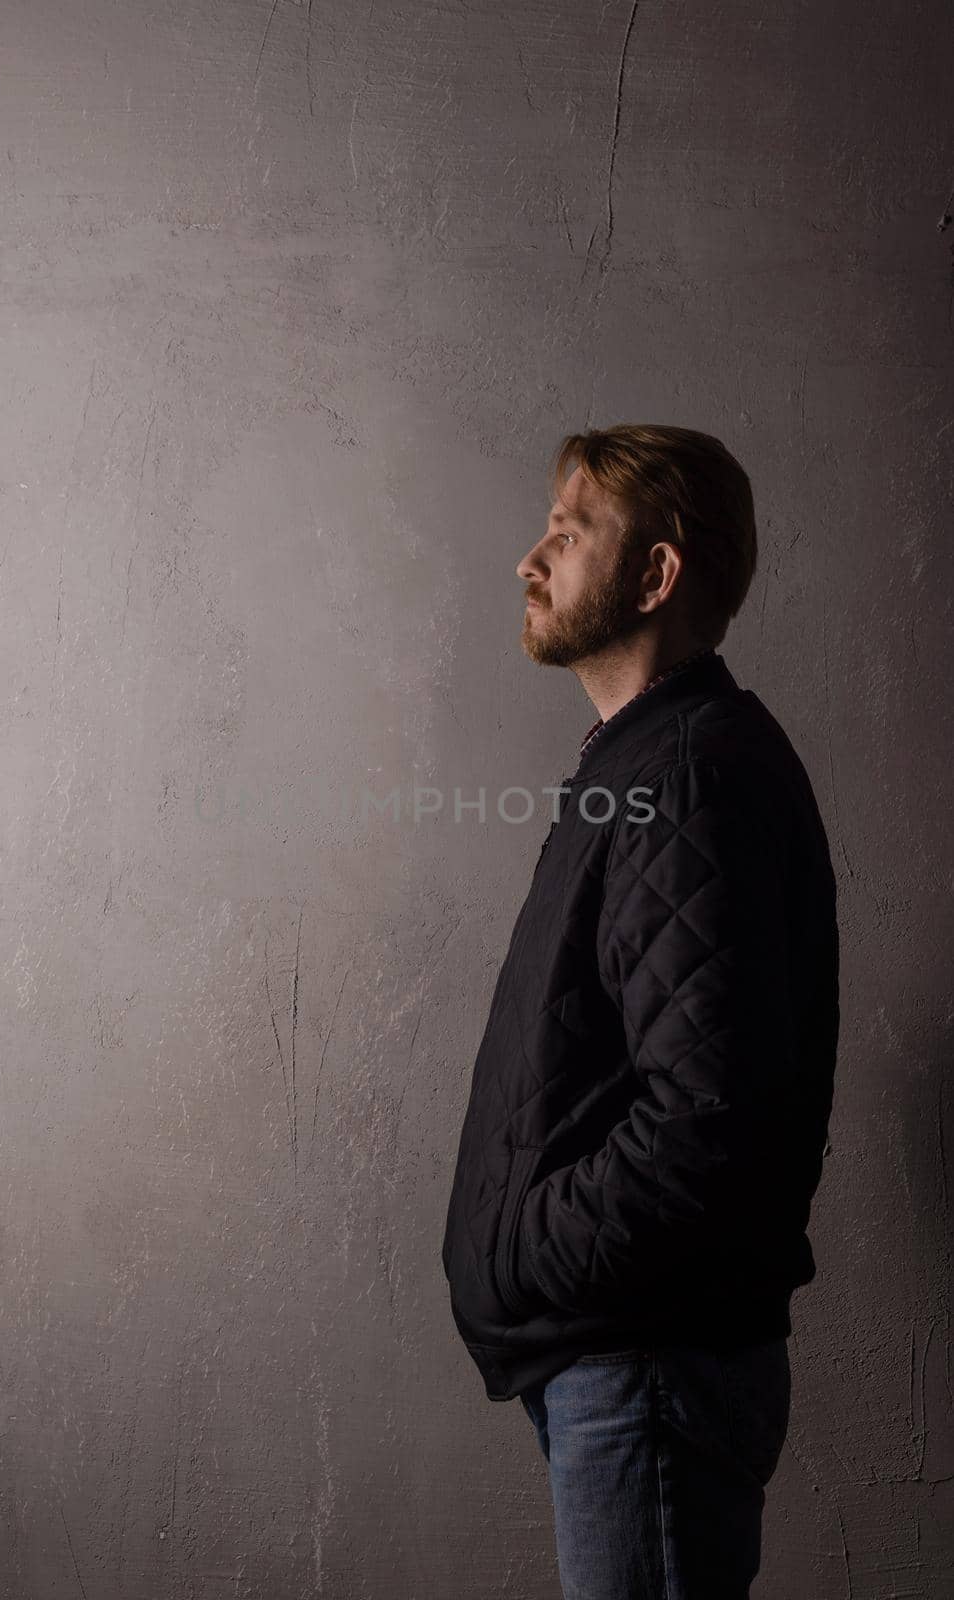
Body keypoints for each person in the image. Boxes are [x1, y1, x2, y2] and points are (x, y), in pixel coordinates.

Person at [440, 423, 840, 1598]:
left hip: (646, 1366)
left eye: (567, 534)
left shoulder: (689, 775)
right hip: (621, 1359)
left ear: (654, 575)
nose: (531, 559)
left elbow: (703, 1121)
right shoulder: (644, 762)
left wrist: (520, 1255)